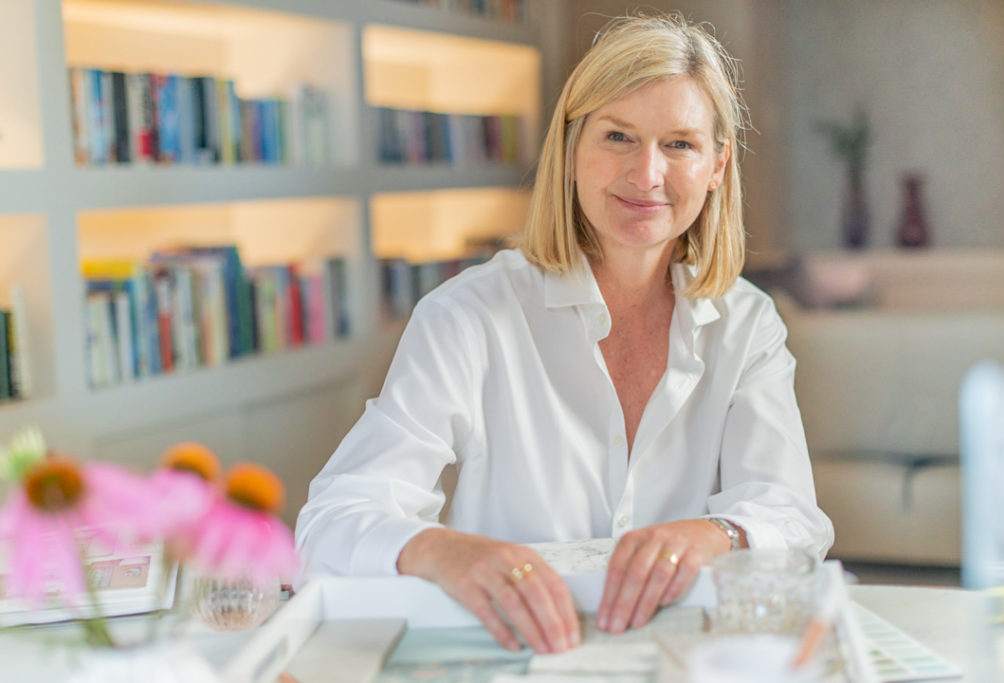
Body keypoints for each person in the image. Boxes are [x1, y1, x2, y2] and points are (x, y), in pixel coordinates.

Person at [296, 12, 833, 655]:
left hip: (681, 658)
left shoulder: (748, 323)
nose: (647, 174)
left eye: (680, 144)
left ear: (717, 165)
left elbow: (792, 516)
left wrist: (720, 533)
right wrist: (440, 550)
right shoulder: (469, 314)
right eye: (618, 137)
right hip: (516, 653)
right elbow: (331, 522)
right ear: (573, 149)